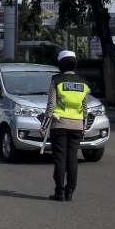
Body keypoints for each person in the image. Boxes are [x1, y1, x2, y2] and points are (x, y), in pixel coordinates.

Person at [41, 50, 89, 202]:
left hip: (59, 125)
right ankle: (70, 192)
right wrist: (83, 126)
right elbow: (85, 107)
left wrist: (43, 126)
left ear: (60, 64)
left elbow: (50, 106)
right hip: (77, 125)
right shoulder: (83, 82)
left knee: (60, 158)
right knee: (72, 158)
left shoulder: (56, 80)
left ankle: (59, 192)